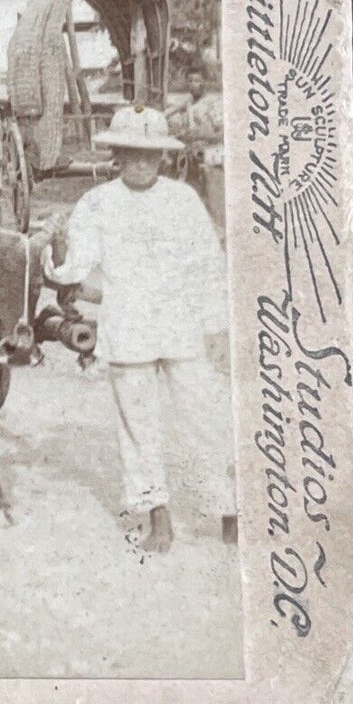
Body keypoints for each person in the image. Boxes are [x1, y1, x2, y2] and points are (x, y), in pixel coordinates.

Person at [41, 104, 234, 554]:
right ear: (117, 157)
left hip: (181, 326)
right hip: (129, 327)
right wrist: (56, 243)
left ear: (164, 157)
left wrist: (217, 328)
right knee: (139, 425)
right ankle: (158, 517)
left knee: (204, 418)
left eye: (151, 155)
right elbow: (74, 269)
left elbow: (208, 266)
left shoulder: (182, 200)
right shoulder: (97, 203)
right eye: (132, 154)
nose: (142, 163)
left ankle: (229, 512)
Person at [169, 66, 225, 233]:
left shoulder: (213, 103)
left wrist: (197, 134)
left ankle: (216, 226)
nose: (193, 84)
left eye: (197, 81)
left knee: (210, 192)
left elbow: (220, 132)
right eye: (190, 80)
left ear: (204, 83)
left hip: (209, 152)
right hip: (190, 154)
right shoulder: (188, 102)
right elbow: (172, 112)